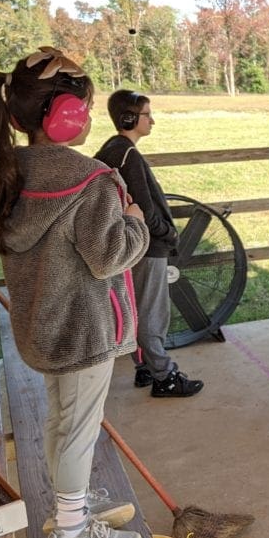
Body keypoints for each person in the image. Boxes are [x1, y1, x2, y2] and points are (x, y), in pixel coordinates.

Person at [0, 47, 150, 538]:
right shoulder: (90, 179)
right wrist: (135, 221)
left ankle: (68, 505)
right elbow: (109, 257)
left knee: (61, 421)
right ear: (68, 116)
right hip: (83, 330)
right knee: (79, 428)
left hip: (41, 328)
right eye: (87, 106)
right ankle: (70, 537)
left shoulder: (6, 170)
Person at [95, 90, 204, 398]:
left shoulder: (113, 150)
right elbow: (144, 208)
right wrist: (167, 233)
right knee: (152, 313)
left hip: (131, 243)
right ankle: (164, 376)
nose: (152, 120)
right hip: (147, 245)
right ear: (129, 119)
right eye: (147, 115)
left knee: (135, 308)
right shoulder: (127, 154)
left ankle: (143, 366)